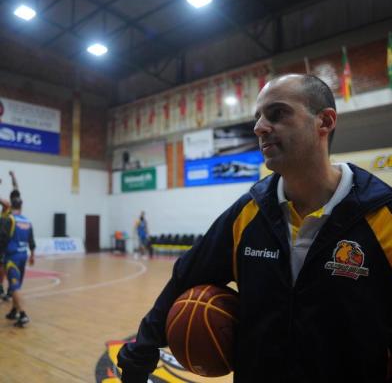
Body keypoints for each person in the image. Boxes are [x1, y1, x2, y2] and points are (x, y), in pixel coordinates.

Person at [117, 74, 392, 383]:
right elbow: (186, 276)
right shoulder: (248, 213)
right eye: (258, 117)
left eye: (277, 114)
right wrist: (143, 348)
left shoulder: (381, 215)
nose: (259, 127)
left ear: (325, 122)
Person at [0, 196, 35, 327]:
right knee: (17, 285)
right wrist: (33, 255)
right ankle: (14, 311)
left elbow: (2, 239)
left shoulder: (10, 220)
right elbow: (31, 240)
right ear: (21, 206)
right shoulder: (27, 221)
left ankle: (23, 314)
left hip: (12, 258)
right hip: (23, 257)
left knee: (14, 286)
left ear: (11, 206)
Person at [0, 171, 20, 301]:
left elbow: (15, 190)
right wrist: (13, 177)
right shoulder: (10, 207)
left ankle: (6, 289)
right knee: (4, 266)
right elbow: (15, 189)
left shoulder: (9, 207)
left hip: (7, 241)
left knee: (6, 266)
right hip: (7, 240)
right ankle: (5, 289)